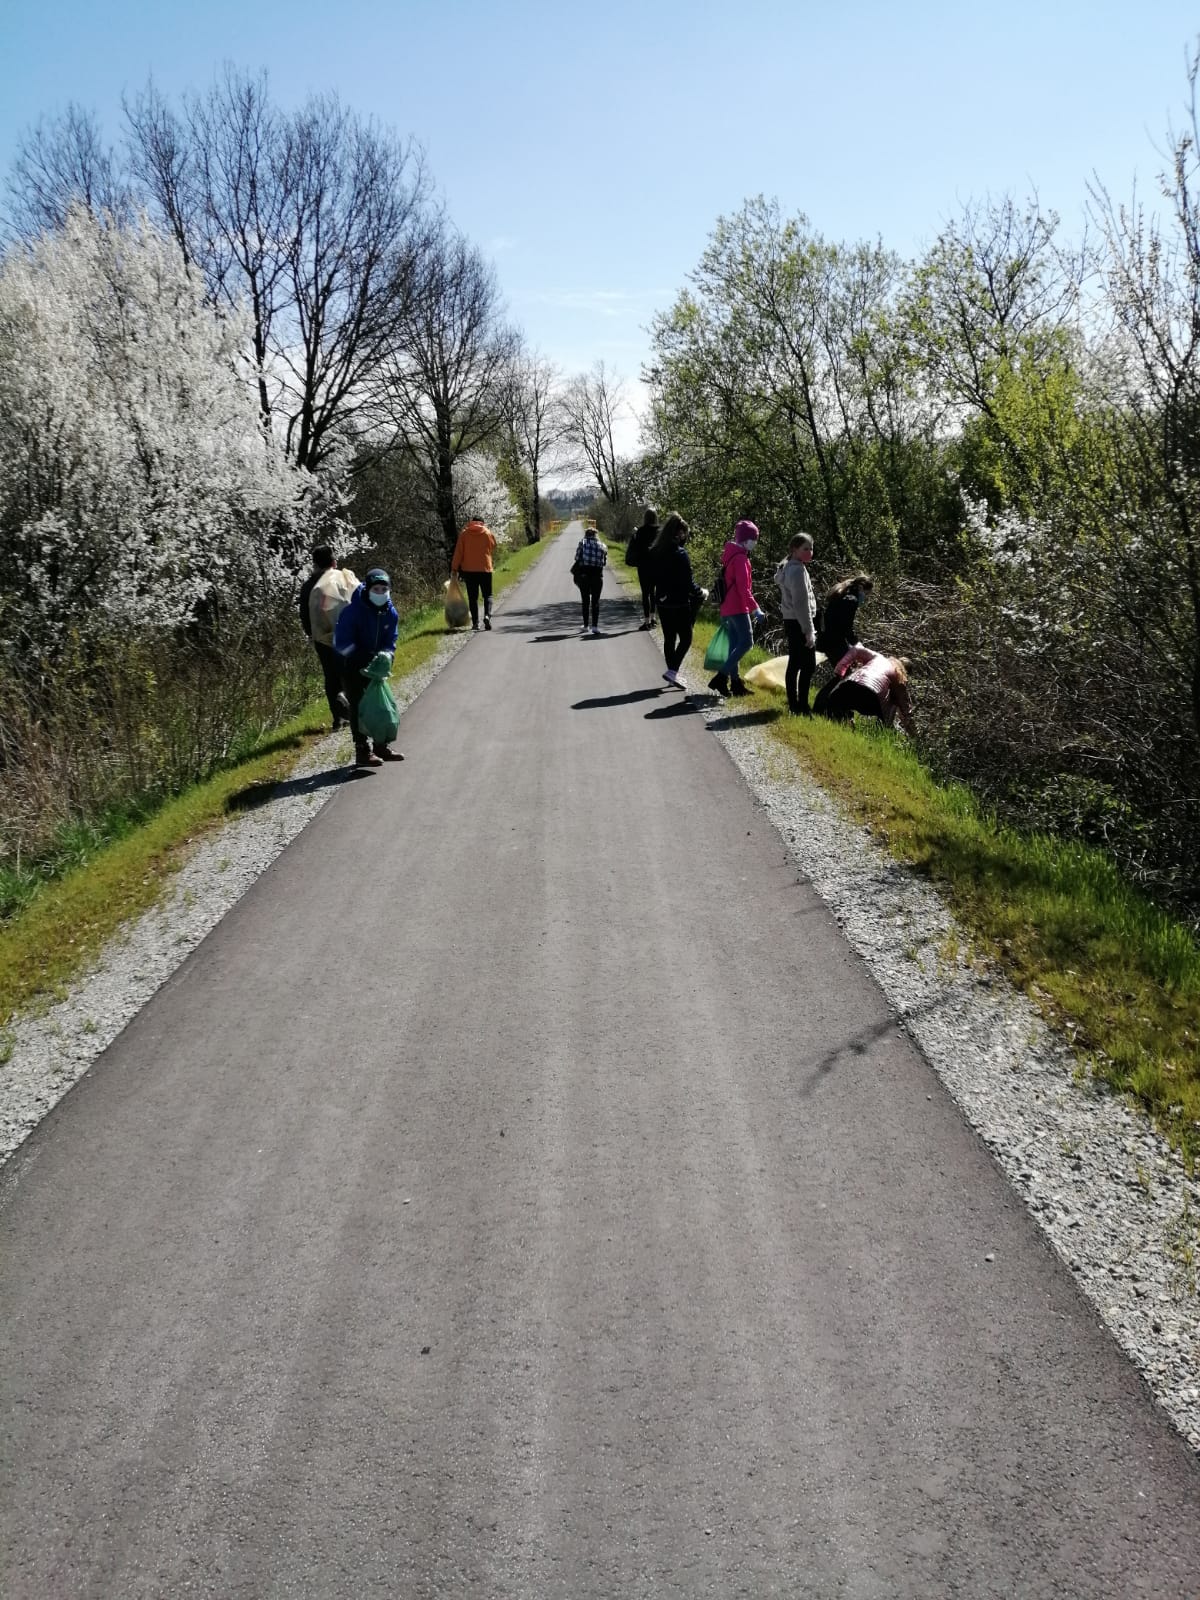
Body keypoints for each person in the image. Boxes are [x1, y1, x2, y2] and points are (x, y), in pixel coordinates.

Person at [333, 567, 404, 767]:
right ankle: (362, 750)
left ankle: (381, 745)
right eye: (376, 589)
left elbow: (391, 639)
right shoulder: (353, 611)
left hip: (376, 666)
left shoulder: (390, 612)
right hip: (351, 664)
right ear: (368, 589)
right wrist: (362, 657)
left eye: (384, 589)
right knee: (358, 706)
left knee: (380, 705)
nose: (380, 593)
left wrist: (387, 654)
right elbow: (341, 642)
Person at [709, 518, 766, 697]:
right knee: (747, 642)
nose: (755, 542)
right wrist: (755, 609)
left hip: (727, 606)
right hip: (738, 607)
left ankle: (735, 684)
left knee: (734, 645)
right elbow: (743, 589)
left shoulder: (731, 555)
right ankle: (721, 677)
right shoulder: (741, 558)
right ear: (745, 539)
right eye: (753, 538)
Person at [298, 545, 353, 731]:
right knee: (348, 670)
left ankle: (338, 718)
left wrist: (311, 634)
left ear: (314, 564)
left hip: (321, 639)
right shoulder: (341, 578)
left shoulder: (308, 587)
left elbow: (304, 615)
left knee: (330, 675)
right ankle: (352, 708)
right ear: (333, 562)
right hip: (345, 634)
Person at [650, 513, 706, 691]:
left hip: (662, 601)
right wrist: (701, 592)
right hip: (679, 603)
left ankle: (671, 673)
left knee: (669, 638)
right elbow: (688, 583)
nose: (685, 537)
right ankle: (673, 671)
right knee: (686, 638)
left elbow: (653, 577)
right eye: (685, 534)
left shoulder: (657, 551)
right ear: (679, 533)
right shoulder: (680, 554)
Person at [817, 645, 914, 734]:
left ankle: (841, 724)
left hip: (850, 687)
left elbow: (856, 649)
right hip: (870, 700)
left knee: (834, 705)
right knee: (892, 701)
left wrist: (841, 669)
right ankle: (878, 732)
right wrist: (913, 733)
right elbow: (905, 707)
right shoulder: (899, 676)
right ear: (906, 672)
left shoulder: (878, 657)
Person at [775, 533, 818, 715]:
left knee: (795, 663)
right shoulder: (797, 571)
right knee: (808, 665)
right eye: (805, 549)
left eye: (811, 548)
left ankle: (794, 704)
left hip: (791, 620)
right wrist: (809, 631)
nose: (809, 552)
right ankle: (802, 705)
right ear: (794, 549)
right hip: (799, 621)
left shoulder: (788, 567)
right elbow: (801, 604)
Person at [450, 513, 498, 631]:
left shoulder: (464, 534)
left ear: (472, 522)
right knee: (488, 595)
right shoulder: (487, 533)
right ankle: (487, 616)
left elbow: (458, 553)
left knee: (473, 598)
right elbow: (493, 546)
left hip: (469, 570)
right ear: (482, 523)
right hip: (485, 569)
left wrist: (454, 568)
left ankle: (475, 623)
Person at [819, 572, 874, 661]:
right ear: (860, 588)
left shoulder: (842, 594)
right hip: (835, 642)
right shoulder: (851, 600)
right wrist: (856, 643)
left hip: (826, 639)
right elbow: (846, 626)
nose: (865, 597)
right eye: (866, 593)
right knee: (846, 669)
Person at [626, 507, 661, 628]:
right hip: (656, 566)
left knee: (645, 594)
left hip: (643, 566)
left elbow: (634, 547)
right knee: (653, 593)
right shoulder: (659, 531)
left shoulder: (639, 532)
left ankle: (646, 622)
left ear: (645, 518)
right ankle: (653, 618)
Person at [573, 524, 607, 635]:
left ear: (586, 534)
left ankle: (586, 625)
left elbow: (577, 558)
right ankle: (595, 627)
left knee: (585, 601)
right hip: (598, 576)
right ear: (595, 535)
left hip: (585, 576)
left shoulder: (582, 543)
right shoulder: (602, 545)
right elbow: (604, 562)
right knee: (595, 601)